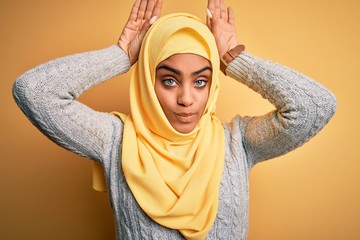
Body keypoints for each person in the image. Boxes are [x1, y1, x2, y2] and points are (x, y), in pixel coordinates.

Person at [12, 0, 336, 239]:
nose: (186, 98)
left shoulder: (238, 143)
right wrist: (121, 55)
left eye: (201, 80)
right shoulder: (116, 140)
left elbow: (315, 106)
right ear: (147, 82)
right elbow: (34, 92)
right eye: (169, 80)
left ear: (214, 82)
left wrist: (234, 59)